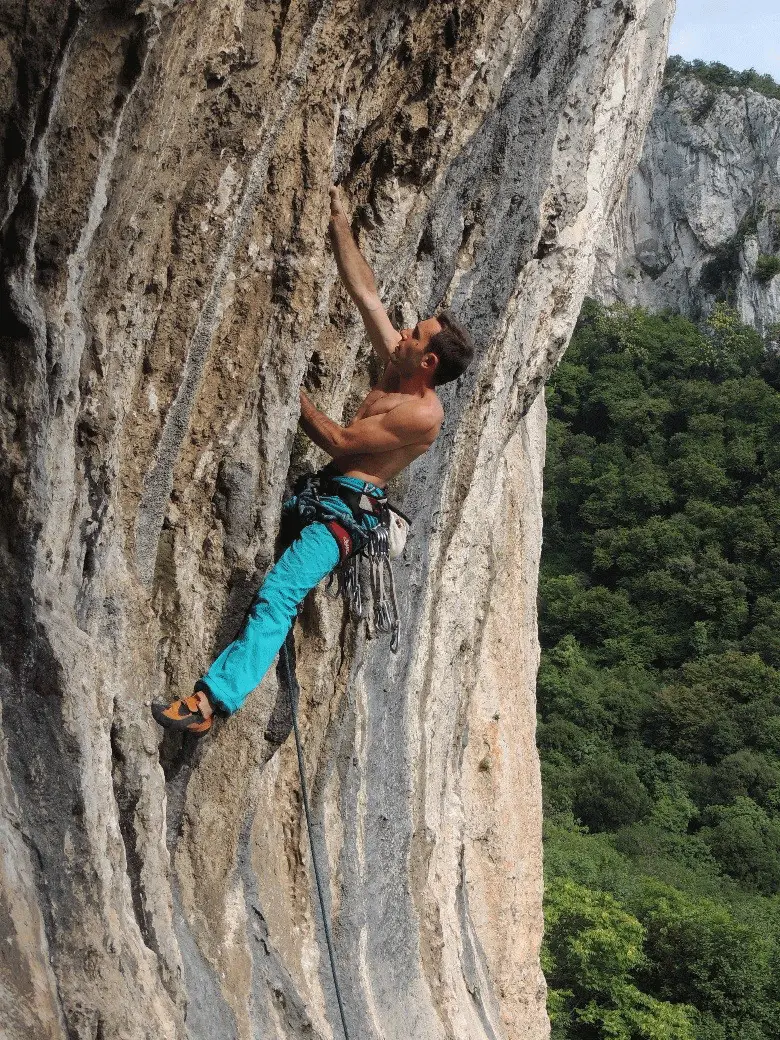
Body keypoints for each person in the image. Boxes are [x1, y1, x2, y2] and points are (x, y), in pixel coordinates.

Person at [152, 186, 475, 735]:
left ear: (427, 360)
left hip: (342, 518)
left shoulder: (424, 415)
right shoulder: (398, 366)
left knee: (278, 595)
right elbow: (366, 294)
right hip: (322, 496)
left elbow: (345, 444)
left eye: (414, 333)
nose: (402, 331)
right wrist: (338, 222)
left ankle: (212, 702)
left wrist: (285, 388)